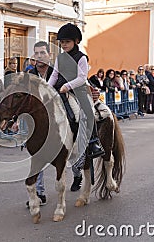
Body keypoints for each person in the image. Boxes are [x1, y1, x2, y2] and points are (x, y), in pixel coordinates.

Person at [47, 23, 105, 192]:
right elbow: (54, 75)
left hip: (77, 91)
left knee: (85, 113)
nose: (64, 44)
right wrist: (47, 88)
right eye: (62, 42)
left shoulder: (82, 57)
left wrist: (67, 86)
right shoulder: (60, 58)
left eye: (67, 42)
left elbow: (82, 77)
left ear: (76, 41)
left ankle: (94, 142)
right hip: (60, 89)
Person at [25, 40, 55, 206]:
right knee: (37, 156)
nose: (39, 56)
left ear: (49, 55)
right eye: (36, 53)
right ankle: (40, 193)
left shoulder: (56, 72)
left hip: (58, 117)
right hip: (38, 123)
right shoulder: (29, 74)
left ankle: (79, 168)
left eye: (42, 53)